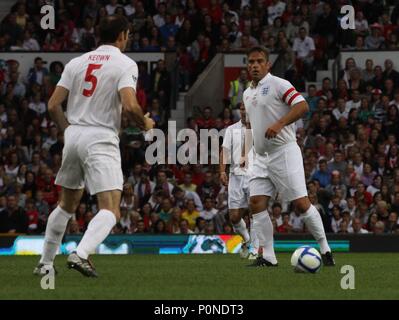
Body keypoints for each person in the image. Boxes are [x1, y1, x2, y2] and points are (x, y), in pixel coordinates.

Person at [33, 15, 154, 277]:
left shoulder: (77, 62)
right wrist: (146, 123)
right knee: (111, 208)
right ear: (122, 35)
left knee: (66, 204)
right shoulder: (125, 64)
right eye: (128, 35)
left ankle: (45, 264)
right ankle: (81, 253)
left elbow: (53, 105)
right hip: (100, 137)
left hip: (75, 134)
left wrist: (69, 131)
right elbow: (131, 105)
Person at [243, 46, 335, 267]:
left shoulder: (279, 84)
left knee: (301, 204)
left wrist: (280, 123)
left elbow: (302, 106)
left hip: (284, 151)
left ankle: (325, 249)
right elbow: (250, 125)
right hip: (260, 156)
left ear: (268, 65)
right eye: (251, 62)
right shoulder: (247, 92)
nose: (254, 65)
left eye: (259, 61)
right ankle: (268, 256)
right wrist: (245, 151)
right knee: (256, 203)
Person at [220, 102, 253, 259]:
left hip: (254, 176)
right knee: (234, 217)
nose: (244, 111)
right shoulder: (231, 129)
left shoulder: (259, 128)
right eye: (242, 108)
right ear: (239, 111)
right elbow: (224, 151)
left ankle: (257, 249)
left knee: (256, 212)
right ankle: (247, 239)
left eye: (247, 108)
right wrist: (222, 171)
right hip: (235, 175)